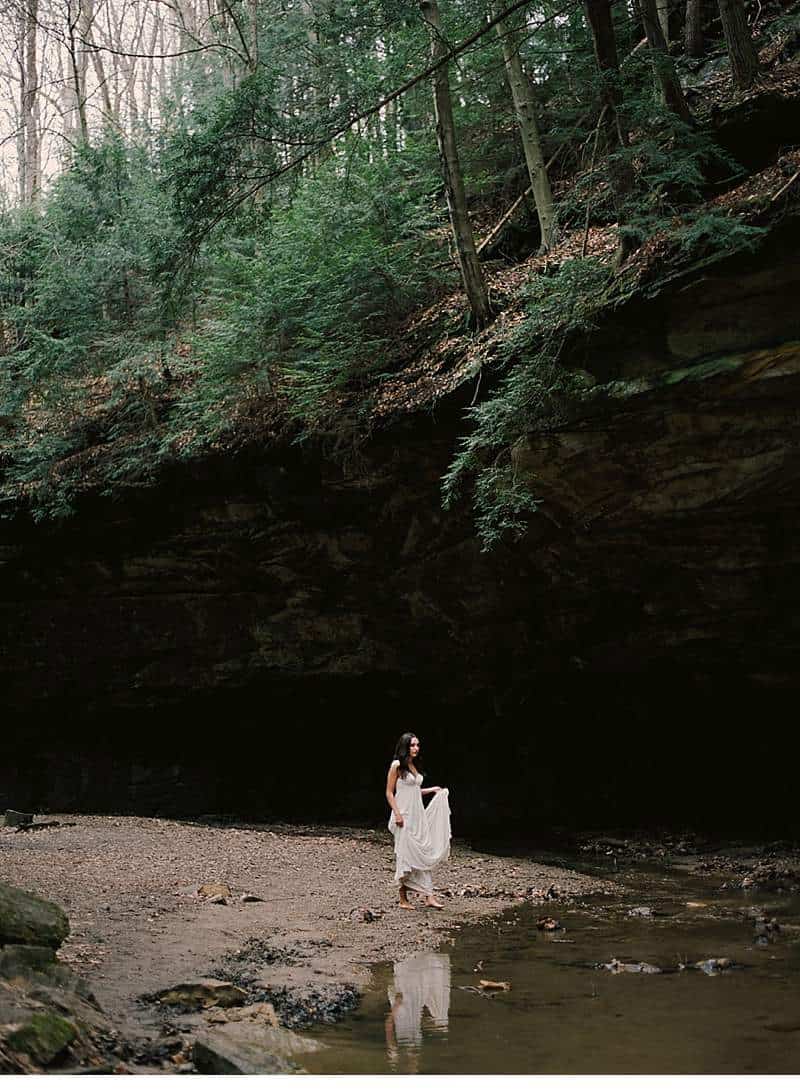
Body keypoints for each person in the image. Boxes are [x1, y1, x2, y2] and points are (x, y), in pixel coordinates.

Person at [385, 733, 451, 910]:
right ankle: (402, 898)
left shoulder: (413, 766)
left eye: (417, 745)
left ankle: (429, 896)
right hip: (404, 816)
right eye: (412, 745)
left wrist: (432, 790)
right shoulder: (397, 766)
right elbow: (389, 793)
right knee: (405, 855)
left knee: (423, 852)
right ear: (405, 747)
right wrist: (397, 814)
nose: (416, 748)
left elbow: (414, 791)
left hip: (417, 817)